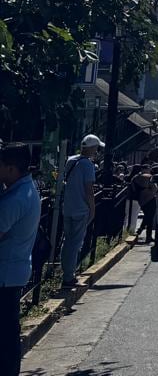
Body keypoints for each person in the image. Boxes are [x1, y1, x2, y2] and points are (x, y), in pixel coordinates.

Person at [1, 144, 40, 376]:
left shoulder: (14, 200)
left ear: (12, 169)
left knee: (4, 338)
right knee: (7, 334)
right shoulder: (24, 190)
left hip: (5, 274)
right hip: (14, 269)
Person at [60, 134, 100, 289]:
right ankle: (69, 277)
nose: (96, 151)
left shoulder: (71, 160)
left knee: (67, 241)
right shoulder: (87, 165)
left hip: (68, 206)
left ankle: (66, 272)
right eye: (96, 148)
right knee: (75, 243)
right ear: (91, 148)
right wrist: (92, 208)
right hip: (80, 208)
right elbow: (89, 190)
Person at [137, 169, 158, 245]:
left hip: (142, 201)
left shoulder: (139, 178)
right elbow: (155, 189)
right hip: (150, 199)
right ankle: (147, 235)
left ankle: (142, 230)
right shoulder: (150, 178)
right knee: (149, 218)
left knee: (147, 216)